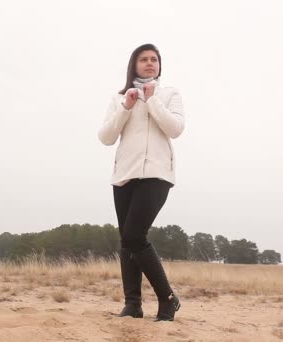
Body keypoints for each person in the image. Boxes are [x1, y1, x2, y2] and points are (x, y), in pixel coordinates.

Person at [98, 43, 185, 321]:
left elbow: (175, 129)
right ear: (133, 65)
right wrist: (127, 106)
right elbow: (106, 137)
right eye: (144, 59)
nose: (150, 63)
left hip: (157, 175)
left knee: (136, 235)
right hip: (124, 175)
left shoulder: (169, 94)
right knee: (126, 241)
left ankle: (167, 297)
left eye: (155, 59)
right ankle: (132, 304)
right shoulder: (120, 98)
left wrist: (151, 100)